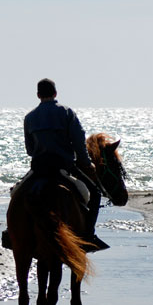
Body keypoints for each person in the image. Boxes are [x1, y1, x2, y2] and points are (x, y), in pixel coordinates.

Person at [22, 78, 105, 249]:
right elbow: (78, 141)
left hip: (38, 169)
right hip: (63, 168)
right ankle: (89, 235)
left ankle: (12, 231)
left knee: (16, 193)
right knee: (95, 195)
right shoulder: (67, 113)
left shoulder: (29, 117)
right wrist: (87, 163)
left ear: (38, 95)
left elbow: (30, 150)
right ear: (55, 93)